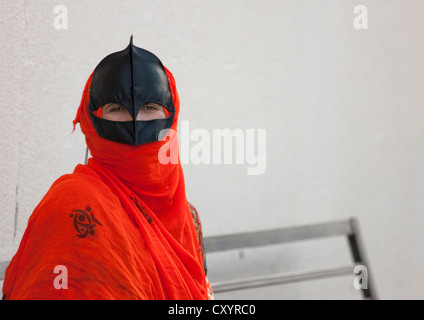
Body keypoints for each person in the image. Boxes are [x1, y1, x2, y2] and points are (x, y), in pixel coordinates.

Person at [2, 37, 213, 300]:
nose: (135, 123)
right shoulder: (74, 205)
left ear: (171, 115)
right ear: (91, 120)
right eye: (117, 109)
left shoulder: (187, 218)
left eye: (150, 107)